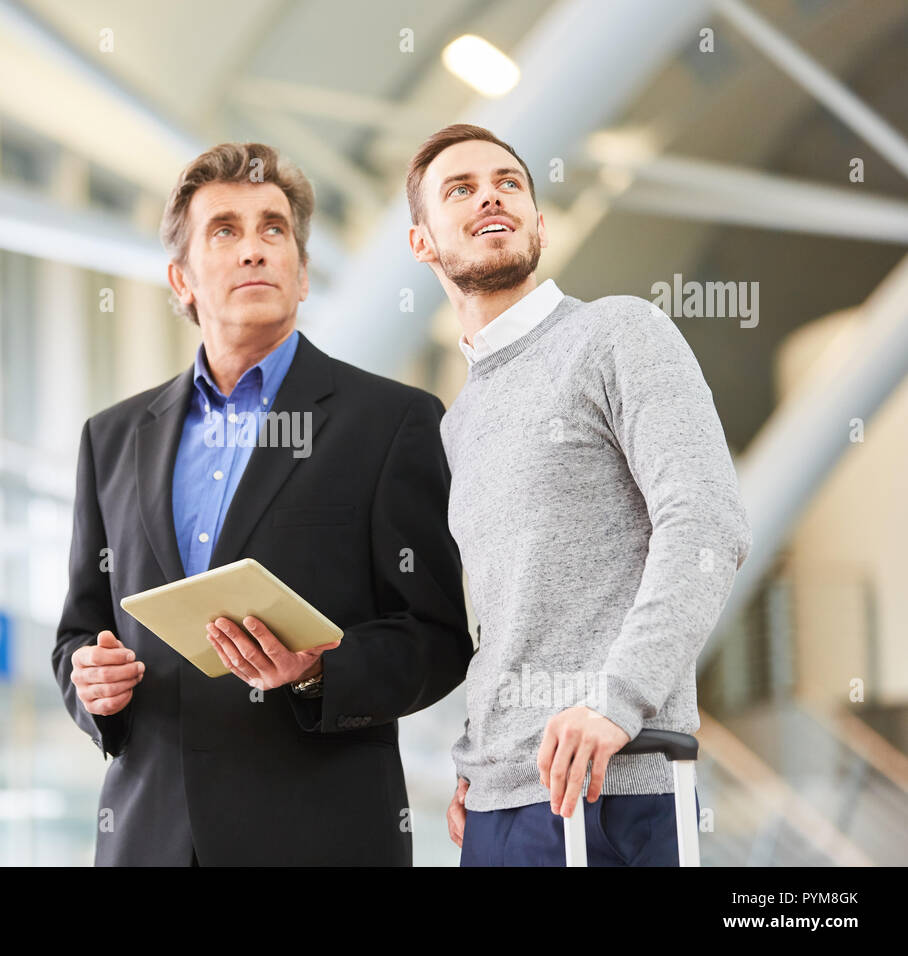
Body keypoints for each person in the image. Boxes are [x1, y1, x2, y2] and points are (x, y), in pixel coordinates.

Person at [53, 141, 472, 865]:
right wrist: (88, 680)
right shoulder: (111, 440)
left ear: (303, 273)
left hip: (321, 838)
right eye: (225, 231)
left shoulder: (389, 422)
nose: (254, 250)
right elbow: (78, 632)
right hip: (150, 838)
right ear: (181, 280)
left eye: (273, 230)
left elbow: (435, 640)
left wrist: (318, 670)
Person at [404, 124, 751, 866]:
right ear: (422, 242)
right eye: (459, 189)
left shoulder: (619, 334)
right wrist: (478, 756)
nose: (490, 195)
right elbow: (508, 616)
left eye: (509, 183)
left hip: (612, 793)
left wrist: (616, 698)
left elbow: (707, 524)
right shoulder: (458, 422)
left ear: (538, 221)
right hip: (496, 805)